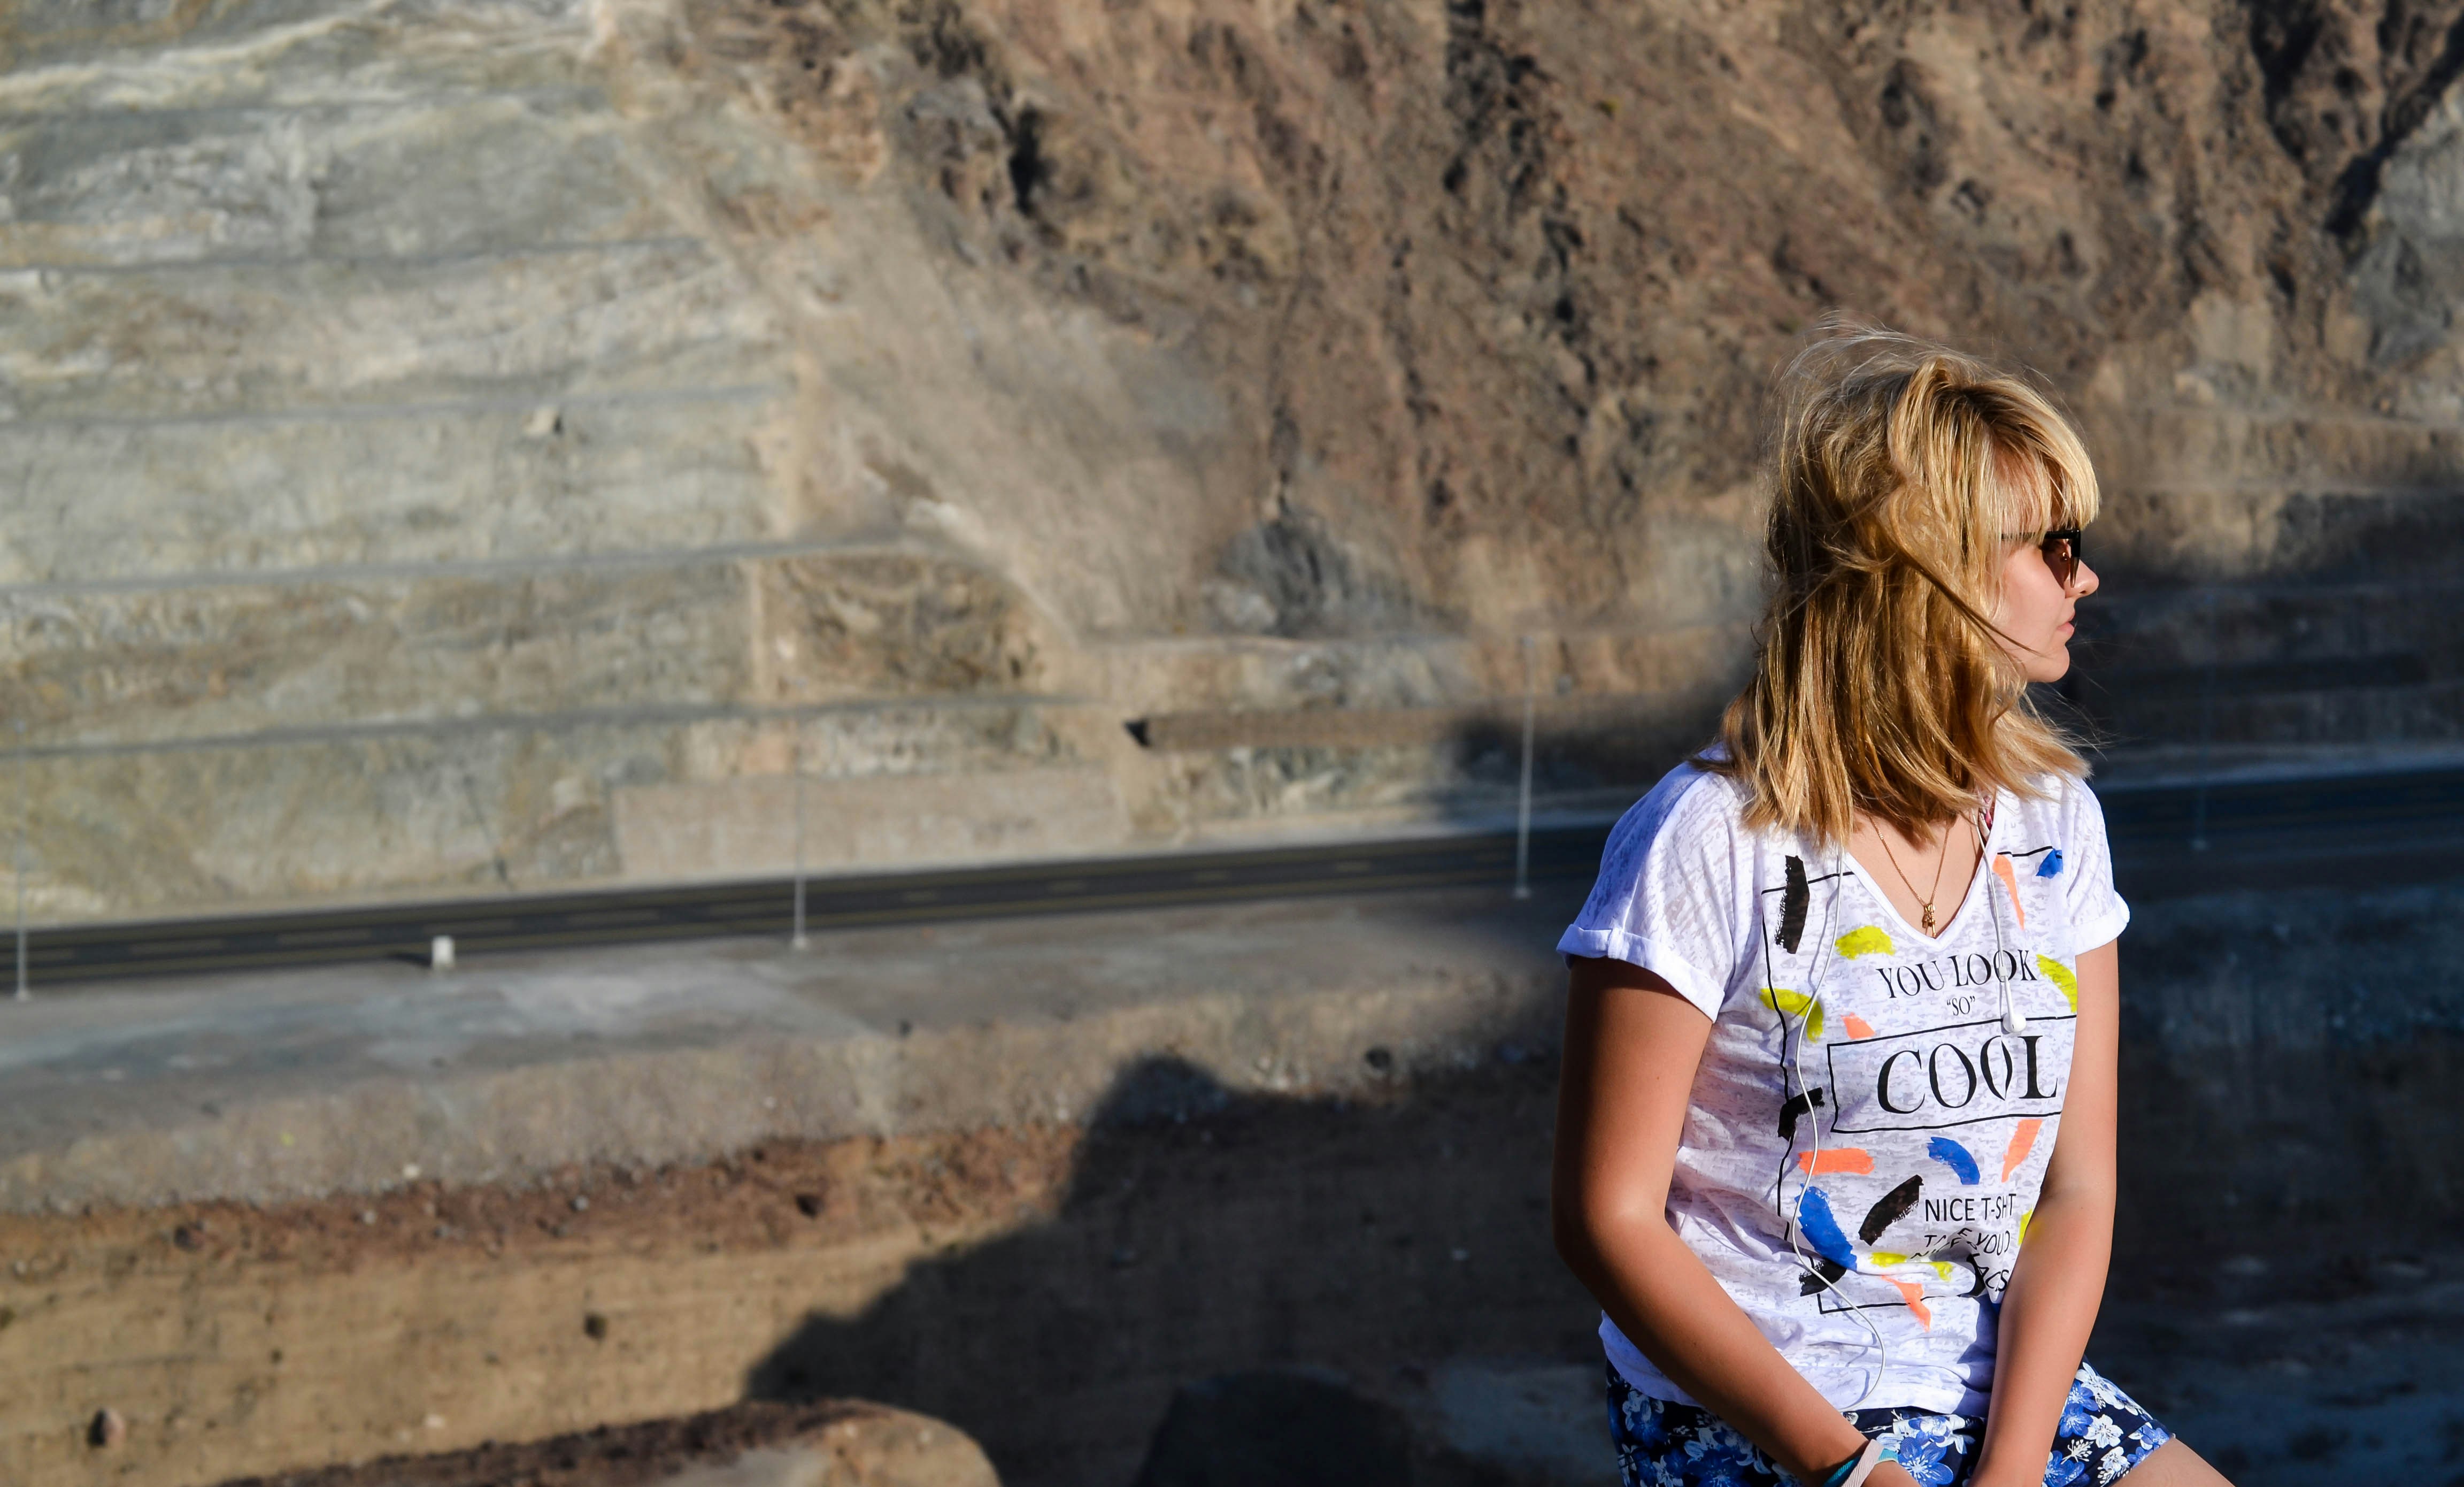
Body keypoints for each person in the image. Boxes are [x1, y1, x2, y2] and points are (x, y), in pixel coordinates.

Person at [1549, 327, 2233, 1487]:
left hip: (1999, 1393)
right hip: (1767, 1412)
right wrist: (1852, 1471)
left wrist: (2012, 1469)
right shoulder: (1707, 838)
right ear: (1937, 571)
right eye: (2054, 545)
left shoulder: (2055, 821)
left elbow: (2077, 1189)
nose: (2086, 577)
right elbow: (1605, 1219)